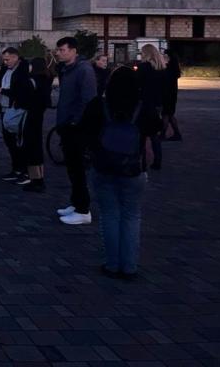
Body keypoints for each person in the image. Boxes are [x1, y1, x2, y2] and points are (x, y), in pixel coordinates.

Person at [81, 66, 149, 280]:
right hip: (133, 167)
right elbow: (156, 130)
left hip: (103, 166)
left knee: (109, 214)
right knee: (131, 216)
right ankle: (129, 266)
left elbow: (84, 132)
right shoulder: (142, 108)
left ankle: (112, 264)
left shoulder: (98, 106)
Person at [55, 36, 97, 225]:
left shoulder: (83, 70)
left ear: (73, 51)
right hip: (67, 124)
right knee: (72, 168)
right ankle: (76, 202)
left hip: (76, 127)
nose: (59, 53)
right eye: (58, 50)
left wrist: (74, 122)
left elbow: (88, 99)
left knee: (77, 168)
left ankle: (83, 210)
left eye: (62, 50)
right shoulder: (67, 69)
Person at [0, 48, 31, 185]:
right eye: (4, 59)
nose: (5, 62)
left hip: (17, 109)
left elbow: (21, 90)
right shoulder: (5, 69)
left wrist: (2, 90)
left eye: (7, 59)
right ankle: (16, 169)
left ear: (16, 57)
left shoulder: (23, 71)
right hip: (4, 107)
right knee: (9, 140)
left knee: (19, 141)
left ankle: (24, 170)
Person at [22, 57, 53, 192]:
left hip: (31, 115)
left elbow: (25, 98)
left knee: (31, 147)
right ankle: (40, 177)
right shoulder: (47, 79)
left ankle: (36, 180)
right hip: (39, 115)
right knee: (37, 146)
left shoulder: (32, 80)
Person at [137, 44, 166, 171]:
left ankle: (142, 163)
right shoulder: (162, 69)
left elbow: (136, 85)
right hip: (157, 104)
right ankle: (157, 161)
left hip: (144, 103)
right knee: (154, 135)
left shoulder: (143, 67)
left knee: (141, 135)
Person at [162, 50, 182, 142]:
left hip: (168, 94)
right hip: (171, 94)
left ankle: (163, 135)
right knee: (169, 115)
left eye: (165, 55)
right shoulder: (173, 68)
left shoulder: (168, 69)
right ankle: (177, 134)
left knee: (166, 114)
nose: (163, 56)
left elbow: (165, 83)